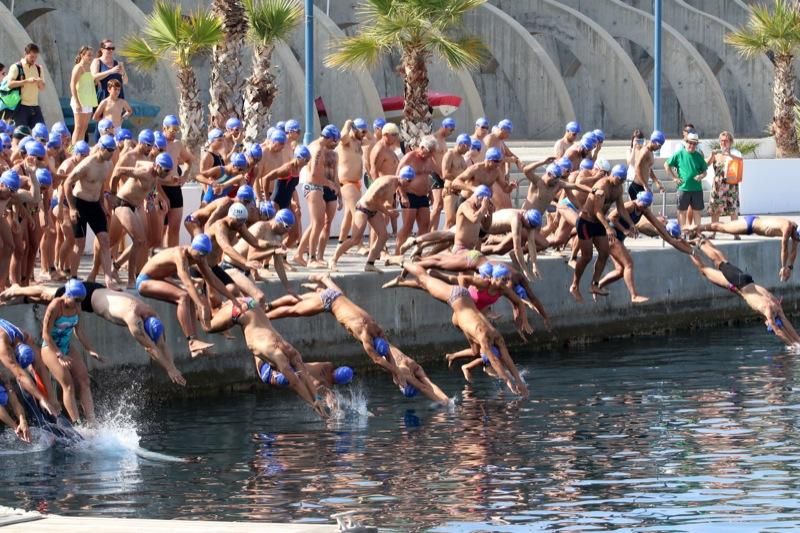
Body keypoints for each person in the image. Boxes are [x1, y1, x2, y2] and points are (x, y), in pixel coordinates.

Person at [266, 274, 449, 404]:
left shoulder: (377, 331)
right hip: (330, 302)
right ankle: (266, 314)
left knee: (304, 301)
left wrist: (395, 372)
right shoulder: (368, 336)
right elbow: (379, 360)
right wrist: (398, 373)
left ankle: (323, 282)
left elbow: (389, 357)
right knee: (295, 310)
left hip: (336, 297)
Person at [383, 264, 528, 397]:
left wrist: (518, 381)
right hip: (456, 297)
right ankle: (402, 262)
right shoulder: (485, 336)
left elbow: (506, 358)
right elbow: (495, 360)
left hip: (462, 314)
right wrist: (509, 382)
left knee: (426, 285)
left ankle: (402, 281)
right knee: (425, 280)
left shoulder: (495, 336)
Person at [0, 282, 185, 385]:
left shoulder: (150, 312)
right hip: (89, 298)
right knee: (47, 295)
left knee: (47, 298)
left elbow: (160, 343)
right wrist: (169, 369)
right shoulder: (134, 321)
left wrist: (172, 365)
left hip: (98, 290)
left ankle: (19, 298)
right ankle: (17, 290)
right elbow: (150, 348)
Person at [204, 299, 330, 418]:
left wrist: (317, 400)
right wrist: (313, 404)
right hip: (240, 312)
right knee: (207, 327)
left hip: (251, 304)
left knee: (220, 309)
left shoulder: (290, 351)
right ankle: (198, 301)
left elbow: (304, 376)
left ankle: (218, 308)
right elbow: (295, 382)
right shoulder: (281, 355)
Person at [686, 237, 800, 348]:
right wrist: (792, 346)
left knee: (722, 261)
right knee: (713, 266)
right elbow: (778, 331)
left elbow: (787, 326)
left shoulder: (776, 306)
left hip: (744, 282)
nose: (766, 325)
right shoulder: (770, 311)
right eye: (768, 325)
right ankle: (692, 246)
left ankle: (702, 241)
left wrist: (797, 342)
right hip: (738, 283)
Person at [136, 234, 234, 358]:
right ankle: (192, 342)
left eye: (204, 255)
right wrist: (201, 305)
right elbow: (187, 282)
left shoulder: (199, 256)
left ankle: (196, 348)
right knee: (183, 296)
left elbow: (213, 280)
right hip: (144, 281)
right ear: (193, 248)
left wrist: (233, 299)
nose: (201, 257)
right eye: (199, 254)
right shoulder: (180, 254)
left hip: (159, 279)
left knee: (190, 299)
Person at [40, 280, 103, 425]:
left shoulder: (77, 307)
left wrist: (90, 349)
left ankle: (93, 423)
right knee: (68, 385)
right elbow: (45, 335)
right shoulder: (55, 306)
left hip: (67, 346)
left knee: (84, 381)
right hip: (50, 348)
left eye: (81, 300)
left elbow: (79, 330)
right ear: (67, 295)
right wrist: (58, 354)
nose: (78, 303)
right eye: (75, 300)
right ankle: (77, 424)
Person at [571, 164, 634, 302]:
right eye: (618, 179)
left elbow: (621, 208)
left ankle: (594, 284)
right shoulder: (602, 186)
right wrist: (608, 228)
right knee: (587, 256)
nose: (620, 182)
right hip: (586, 222)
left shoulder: (618, 188)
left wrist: (631, 224)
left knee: (604, 254)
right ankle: (575, 285)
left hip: (599, 223)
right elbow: (597, 211)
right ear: (612, 175)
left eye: (622, 180)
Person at [62, 135, 120, 288]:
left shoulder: (108, 164)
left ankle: (108, 279)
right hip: (79, 204)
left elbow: (100, 185)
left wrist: (102, 205)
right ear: (101, 148)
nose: (112, 154)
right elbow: (67, 183)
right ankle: (73, 277)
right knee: (79, 244)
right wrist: (72, 208)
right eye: (109, 150)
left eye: (113, 151)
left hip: (94, 205)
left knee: (105, 240)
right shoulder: (87, 164)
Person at [328, 167, 412, 272]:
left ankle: (370, 263)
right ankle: (333, 259)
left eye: (411, 181)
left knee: (383, 236)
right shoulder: (386, 182)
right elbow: (373, 199)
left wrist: (391, 210)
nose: (408, 184)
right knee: (355, 239)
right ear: (402, 177)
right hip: (363, 208)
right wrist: (387, 212)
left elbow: (384, 202)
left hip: (374, 210)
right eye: (408, 181)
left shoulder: (397, 184)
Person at [692, 216, 800, 281]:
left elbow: (794, 250)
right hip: (750, 224)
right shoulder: (787, 227)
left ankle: (697, 229)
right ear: (796, 232)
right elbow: (784, 247)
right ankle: (696, 228)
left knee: (723, 227)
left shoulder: (795, 231)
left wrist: (790, 267)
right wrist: (782, 266)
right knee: (722, 227)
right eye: (796, 237)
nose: (795, 239)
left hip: (753, 227)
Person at [293, 125, 340, 267]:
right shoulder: (318, 149)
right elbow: (313, 175)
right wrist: (329, 184)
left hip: (316, 187)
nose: (335, 144)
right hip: (313, 187)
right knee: (318, 223)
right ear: (330, 137)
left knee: (316, 223)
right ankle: (311, 258)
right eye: (334, 140)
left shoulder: (317, 147)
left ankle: (299, 254)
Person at [395, 136, 438, 254]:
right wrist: (402, 195)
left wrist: (430, 193)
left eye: (432, 153)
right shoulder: (409, 157)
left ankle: (417, 253)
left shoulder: (429, 158)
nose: (430, 155)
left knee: (425, 226)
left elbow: (427, 177)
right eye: (429, 152)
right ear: (422, 147)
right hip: (410, 195)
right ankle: (398, 253)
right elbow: (398, 177)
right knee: (408, 227)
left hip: (423, 196)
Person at [161, 114, 194, 246]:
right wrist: (159, 194)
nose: (175, 133)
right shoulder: (157, 144)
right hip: (160, 188)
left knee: (174, 229)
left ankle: (172, 259)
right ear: (164, 128)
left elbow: (189, 160)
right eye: (172, 130)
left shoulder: (177, 144)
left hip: (174, 189)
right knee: (160, 230)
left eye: (177, 130)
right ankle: (157, 260)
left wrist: (184, 176)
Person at [665, 132, 707, 228]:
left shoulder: (698, 156)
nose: (691, 145)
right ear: (685, 142)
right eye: (690, 142)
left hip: (697, 189)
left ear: (697, 144)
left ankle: (697, 233)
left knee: (697, 212)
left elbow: (705, 172)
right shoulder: (679, 154)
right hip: (683, 189)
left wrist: (701, 176)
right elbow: (666, 165)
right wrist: (674, 178)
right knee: (681, 212)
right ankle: (682, 232)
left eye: (694, 143)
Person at [336, 119, 366, 246]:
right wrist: (348, 123)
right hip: (348, 183)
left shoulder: (359, 143)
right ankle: (359, 245)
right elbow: (342, 136)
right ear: (355, 130)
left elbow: (374, 140)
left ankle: (341, 242)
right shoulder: (347, 142)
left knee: (348, 216)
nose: (364, 133)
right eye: (362, 131)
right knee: (358, 214)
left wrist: (360, 132)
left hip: (355, 183)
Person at [4, 43, 46, 128]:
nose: (33, 59)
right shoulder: (16, 67)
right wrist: (27, 81)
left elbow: (42, 88)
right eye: (31, 57)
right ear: (25, 54)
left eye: (35, 57)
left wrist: (39, 82)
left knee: (41, 134)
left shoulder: (39, 68)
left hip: (35, 107)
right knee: (20, 135)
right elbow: (10, 84)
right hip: (21, 107)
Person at [706, 130, 740, 230]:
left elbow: (740, 164)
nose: (723, 143)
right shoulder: (716, 155)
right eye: (721, 141)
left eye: (726, 141)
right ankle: (713, 232)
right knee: (715, 210)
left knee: (733, 210)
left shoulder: (735, 154)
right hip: (718, 185)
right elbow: (706, 165)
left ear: (730, 142)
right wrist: (712, 155)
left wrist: (730, 156)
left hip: (731, 185)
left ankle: (736, 232)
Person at [69, 46, 99, 146]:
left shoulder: (89, 67)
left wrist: (95, 82)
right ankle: (71, 151)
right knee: (78, 127)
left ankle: (79, 149)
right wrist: (77, 102)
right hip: (80, 100)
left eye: (92, 55)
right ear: (82, 55)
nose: (91, 57)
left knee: (84, 127)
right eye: (89, 55)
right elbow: (72, 84)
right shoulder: (78, 67)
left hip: (88, 100)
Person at [441, 133, 471, 228]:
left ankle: (452, 242)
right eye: (467, 148)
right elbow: (445, 174)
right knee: (450, 221)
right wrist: (459, 180)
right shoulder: (450, 154)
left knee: (458, 222)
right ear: (462, 144)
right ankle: (441, 242)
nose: (468, 151)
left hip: (460, 192)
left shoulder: (462, 159)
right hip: (451, 191)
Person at [631, 130, 666, 199]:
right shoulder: (645, 151)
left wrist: (656, 181)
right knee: (639, 209)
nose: (660, 148)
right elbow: (637, 167)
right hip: (637, 186)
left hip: (641, 186)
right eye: (659, 145)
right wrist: (645, 185)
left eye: (661, 146)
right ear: (653, 141)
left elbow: (648, 168)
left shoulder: (650, 151)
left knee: (644, 209)